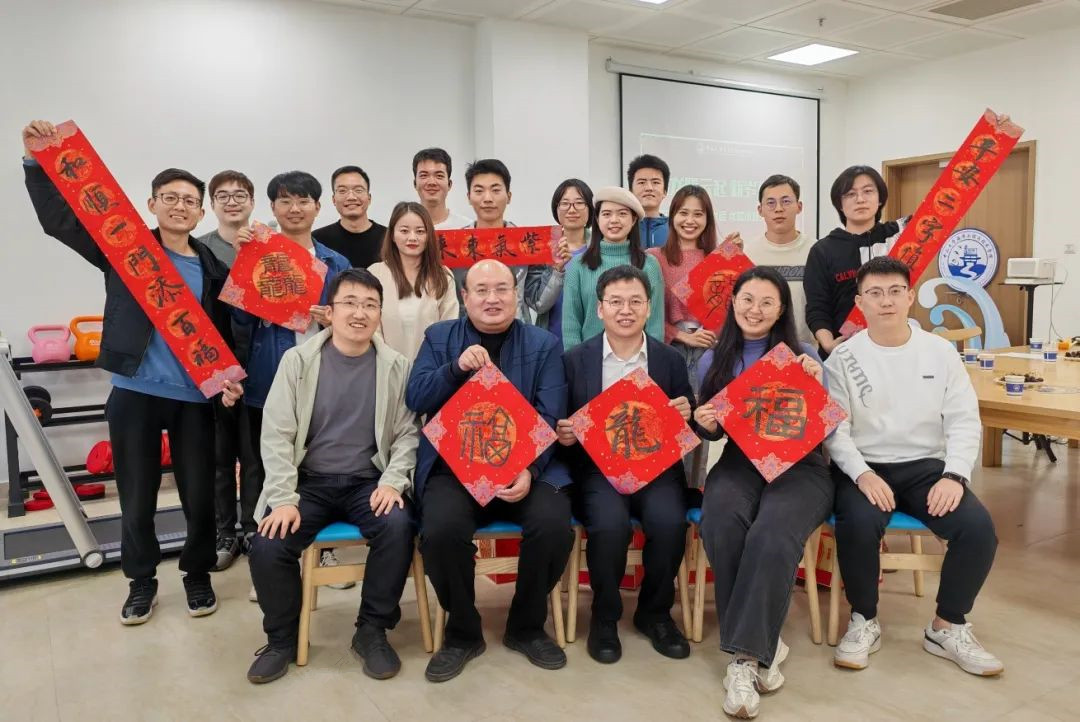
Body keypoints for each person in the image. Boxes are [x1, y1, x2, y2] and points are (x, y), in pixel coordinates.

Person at [21, 119, 238, 623]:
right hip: (134, 391)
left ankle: (197, 574)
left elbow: (228, 335)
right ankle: (141, 582)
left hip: (193, 399)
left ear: (200, 212)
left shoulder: (212, 268)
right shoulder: (126, 249)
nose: (180, 206)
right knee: (136, 497)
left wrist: (230, 380)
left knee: (199, 496)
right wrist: (35, 163)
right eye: (170, 197)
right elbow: (61, 222)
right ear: (152, 203)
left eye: (189, 200)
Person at [825, 256, 1001, 677]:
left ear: (909, 296)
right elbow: (835, 430)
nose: (885, 301)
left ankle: (947, 626)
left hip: (927, 468)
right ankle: (864, 620)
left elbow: (963, 419)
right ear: (860, 303)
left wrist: (955, 475)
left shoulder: (940, 352)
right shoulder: (843, 358)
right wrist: (862, 474)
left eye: (894, 291)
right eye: (874, 293)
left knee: (978, 529)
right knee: (858, 523)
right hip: (865, 467)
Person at [245, 268, 419, 685]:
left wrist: (393, 481)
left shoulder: (396, 366)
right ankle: (282, 640)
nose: (359, 313)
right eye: (350, 303)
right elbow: (276, 433)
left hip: (368, 481)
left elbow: (408, 434)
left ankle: (371, 631)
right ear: (331, 310)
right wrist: (283, 498)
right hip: (308, 483)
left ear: (379, 314)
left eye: (370, 305)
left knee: (397, 526)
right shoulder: (298, 362)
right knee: (268, 544)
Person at [406, 260, 573, 683]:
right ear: (465, 297)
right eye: (481, 290)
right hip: (454, 469)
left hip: (525, 467)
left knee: (553, 525)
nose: (492, 299)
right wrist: (455, 369)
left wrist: (530, 468)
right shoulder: (440, 337)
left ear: (516, 296)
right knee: (440, 530)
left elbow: (550, 412)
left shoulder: (543, 344)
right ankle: (462, 632)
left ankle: (526, 626)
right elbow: (416, 396)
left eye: (502, 289)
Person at [692, 266, 832, 719]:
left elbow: (826, 421)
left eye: (767, 302)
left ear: (781, 309)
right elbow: (713, 429)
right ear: (733, 302)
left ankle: (746, 658)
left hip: (801, 465)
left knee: (772, 532)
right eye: (747, 299)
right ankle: (765, 646)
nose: (755, 310)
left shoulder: (803, 355)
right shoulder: (713, 359)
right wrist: (704, 422)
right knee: (720, 519)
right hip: (741, 461)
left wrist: (816, 379)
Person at [556, 265, 694, 665]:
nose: (626, 310)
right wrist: (565, 433)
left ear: (649, 307)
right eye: (615, 302)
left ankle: (655, 613)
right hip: (597, 469)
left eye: (635, 301)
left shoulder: (668, 359)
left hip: (657, 468)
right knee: (610, 525)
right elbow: (559, 420)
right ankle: (605, 617)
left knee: (670, 522)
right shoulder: (575, 360)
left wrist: (686, 411)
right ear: (600, 309)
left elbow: (687, 413)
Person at [236, 171, 352, 586]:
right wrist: (245, 271)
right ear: (273, 208)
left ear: (318, 208)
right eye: (285, 201)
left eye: (304, 201)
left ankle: (323, 553)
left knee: (320, 465)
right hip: (268, 375)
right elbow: (239, 322)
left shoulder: (336, 263)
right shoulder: (257, 253)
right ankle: (267, 559)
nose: (295, 208)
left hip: (323, 378)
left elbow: (355, 319)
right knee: (265, 466)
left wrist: (332, 320)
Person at [199, 170, 262, 572]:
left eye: (240, 194)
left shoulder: (267, 244)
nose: (232, 201)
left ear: (252, 202)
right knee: (219, 455)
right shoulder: (199, 248)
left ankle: (253, 528)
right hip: (211, 368)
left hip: (258, 365)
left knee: (255, 455)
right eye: (223, 195)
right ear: (212, 204)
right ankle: (225, 532)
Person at [804, 166, 907, 356]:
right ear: (840, 204)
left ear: (880, 198)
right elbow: (817, 307)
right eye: (850, 194)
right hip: (844, 353)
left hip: (895, 348)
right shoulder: (823, 250)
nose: (860, 199)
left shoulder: (899, 237)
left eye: (868, 191)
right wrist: (828, 344)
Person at [455, 158, 568, 322]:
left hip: (516, 331)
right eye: (479, 191)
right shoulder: (454, 245)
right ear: (468, 196)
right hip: (467, 332)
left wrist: (556, 270)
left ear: (509, 196)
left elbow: (538, 302)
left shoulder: (526, 243)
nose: (487, 198)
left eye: (496, 190)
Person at [647, 184, 728, 394]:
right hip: (669, 349)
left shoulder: (717, 259)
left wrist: (732, 262)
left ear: (707, 219)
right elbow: (647, 313)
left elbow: (726, 312)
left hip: (710, 350)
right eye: (683, 213)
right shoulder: (654, 258)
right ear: (672, 216)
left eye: (698, 214)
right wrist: (681, 336)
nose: (690, 221)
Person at [561, 187, 664, 349]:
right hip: (590, 358)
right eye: (607, 214)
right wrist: (577, 362)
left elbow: (655, 325)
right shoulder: (578, 265)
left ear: (634, 219)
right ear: (597, 219)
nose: (614, 220)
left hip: (638, 359)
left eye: (622, 214)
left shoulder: (649, 264)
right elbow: (571, 325)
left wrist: (649, 360)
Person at [368, 202, 458, 359]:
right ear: (392, 235)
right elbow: (371, 328)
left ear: (429, 236)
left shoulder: (443, 276)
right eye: (404, 231)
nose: (412, 238)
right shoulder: (375, 274)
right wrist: (388, 362)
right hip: (385, 365)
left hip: (432, 367)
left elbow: (449, 329)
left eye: (420, 231)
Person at [743, 174, 815, 348]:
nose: (778, 209)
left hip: (805, 350)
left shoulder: (817, 251)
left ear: (799, 207)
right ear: (760, 210)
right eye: (770, 203)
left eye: (786, 201)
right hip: (760, 349)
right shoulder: (748, 253)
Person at [534, 178, 593, 342]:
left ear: (590, 208)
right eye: (565, 203)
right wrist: (557, 271)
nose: (572, 210)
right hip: (551, 339)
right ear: (556, 208)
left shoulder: (600, 249)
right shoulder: (542, 248)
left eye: (579, 203)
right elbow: (539, 305)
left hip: (591, 341)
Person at [313, 165, 386, 268]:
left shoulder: (389, 238)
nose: (351, 197)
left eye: (358, 190)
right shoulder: (318, 241)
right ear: (333, 199)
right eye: (342, 191)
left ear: (369, 198)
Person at [412, 147, 472, 229]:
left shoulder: (466, 227)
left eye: (439, 176)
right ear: (415, 183)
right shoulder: (402, 228)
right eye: (424, 175)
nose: (431, 182)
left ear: (449, 184)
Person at [628, 154, 671, 249]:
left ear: (665, 191)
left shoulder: (675, 228)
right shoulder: (622, 227)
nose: (649, 188)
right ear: (631, 190)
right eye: (642, 182)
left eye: (655, 182)